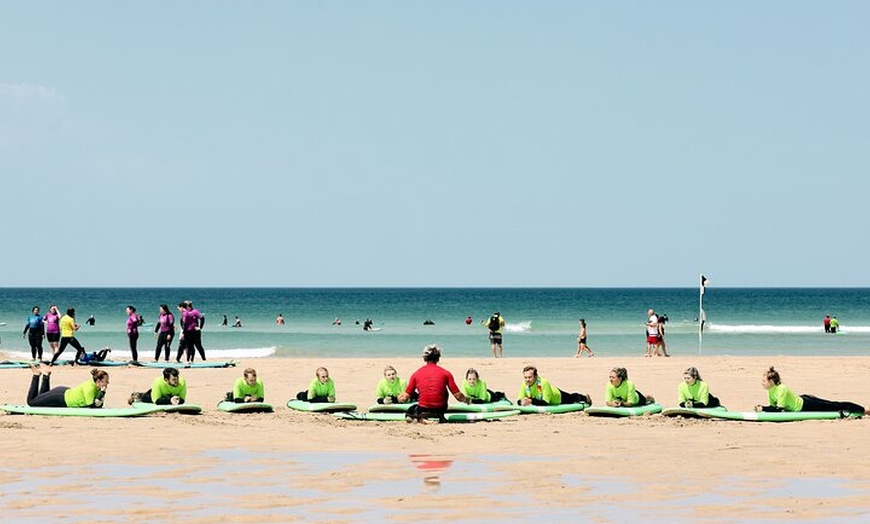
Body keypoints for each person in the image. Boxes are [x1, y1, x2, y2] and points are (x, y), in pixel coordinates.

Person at [399, 344, 469, 423]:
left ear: (425, 358)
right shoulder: (446, 373)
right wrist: (466, 400)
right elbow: (458, 396)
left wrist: (398, 397)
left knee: (412, 409)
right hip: (440, 408)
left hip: (423, 408)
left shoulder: (416, 374)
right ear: (438, 358)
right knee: (444, 390)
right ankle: (440, 416)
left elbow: (405, 398)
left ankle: (420, 417)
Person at [755, 366, 867, 414]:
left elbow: (779, 409)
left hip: (806, 404)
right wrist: (765, 408)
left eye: (764, 381)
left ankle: (864, 410)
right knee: (832, 405)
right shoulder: (770, 390)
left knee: (834, 405)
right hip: (801, 399)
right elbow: (774, 407)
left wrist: (763, 408)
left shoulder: (781, 389)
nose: (762, 383)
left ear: (771, 381)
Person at [26, 364, 109, 408]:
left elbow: (99, 404)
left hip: (64, 393)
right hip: (60, 397)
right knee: (31, 402)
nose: (108, 383)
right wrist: (102, 393)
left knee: (41, 398)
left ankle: (46, 376)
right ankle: (36, 375)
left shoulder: (95, 385)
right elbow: (92, 406)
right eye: (106, 381)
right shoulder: (90, 388)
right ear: (98, 381)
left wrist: (101, 393)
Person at [517, 365, 591, 406]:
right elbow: (519, 400)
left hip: (557, 397)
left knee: (572, 398)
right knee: (572, 397)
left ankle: (585, 398)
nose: (527, 379)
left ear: (536, 376)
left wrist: (531, 401)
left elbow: (545, 403)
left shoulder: (543, 383)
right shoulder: (524, 384)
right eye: (525, 377)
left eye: (530, 377)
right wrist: (522, 402)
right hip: (539, 399)